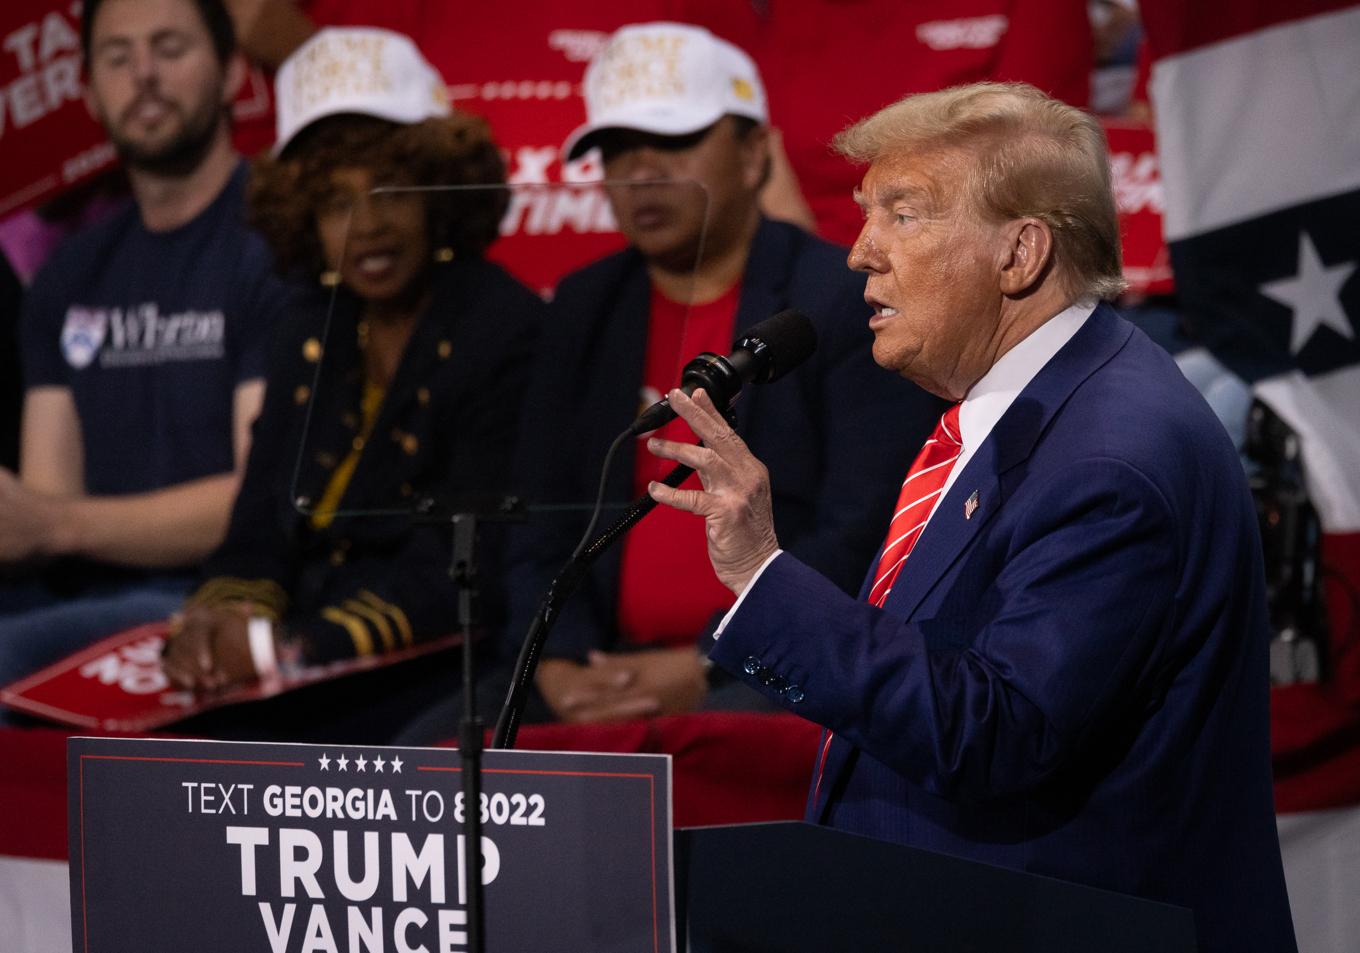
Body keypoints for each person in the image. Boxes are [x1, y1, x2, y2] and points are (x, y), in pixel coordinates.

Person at [646, 83, 1296, 953]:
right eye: (866, 214)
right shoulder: (1023, 412)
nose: (859, 253)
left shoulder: (1111, 458)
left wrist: (765, 575)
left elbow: (994, 732)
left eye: (903, 215)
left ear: (1020, 252)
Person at [499, 23, 944, 727]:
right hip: (597, 668)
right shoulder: (583, 306)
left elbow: (866, 532)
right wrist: (554, 660)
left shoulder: (840, 301)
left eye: (672, 142)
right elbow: (536, 519)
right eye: (616, 149)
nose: (639, 171)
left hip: (776, 666)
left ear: (753, 155)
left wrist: (711, 657)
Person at [160, 28, 542, 699]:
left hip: (429, 669)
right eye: (337, 202)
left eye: (391, 191)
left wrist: (294, 648)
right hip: (290, 656)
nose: (367, 227)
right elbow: (256, 527)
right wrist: (224, 616)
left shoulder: (501, 324)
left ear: (439, 191)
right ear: (304, 214)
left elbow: (463, 565)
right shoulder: (308, 325)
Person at [0, 0, 288, 685]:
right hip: (79, 599)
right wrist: (40, 523)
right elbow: (48, 499)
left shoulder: (277, 243)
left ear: (230, 73)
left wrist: (58, 525)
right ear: (91, 93)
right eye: (119, 58)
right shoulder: (67, 275)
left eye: (169, 48)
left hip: (224, 597)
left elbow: (260, 501)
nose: (145, 76)